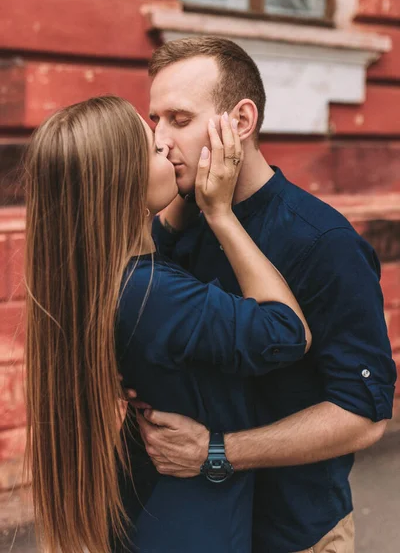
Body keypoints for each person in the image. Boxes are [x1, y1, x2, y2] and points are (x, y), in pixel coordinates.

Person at [133, 36, 397, 553]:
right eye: (154, 120)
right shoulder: (179, 218)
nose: (160, 140)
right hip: (196, 524)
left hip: (292, 530)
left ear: (241, 121)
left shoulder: (324, 244)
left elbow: (363, 415)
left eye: (179, 120)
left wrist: (215, 452)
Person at [24, 95, 313, 553]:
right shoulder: (155, 296)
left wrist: (181, 202)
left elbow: (154, 245)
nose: (168, 144)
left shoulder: (98, 275)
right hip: (189, 522)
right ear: (122, 185)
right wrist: (220, 214)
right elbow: (287, 333)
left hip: (149, 503)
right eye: (155, 150)